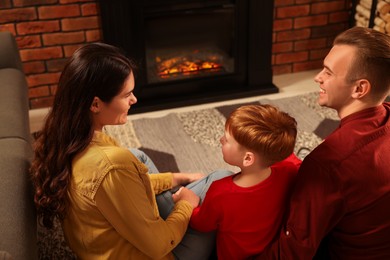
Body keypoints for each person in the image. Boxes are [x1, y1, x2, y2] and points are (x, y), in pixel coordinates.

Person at [29, 42, 232, 259]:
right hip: (162, 252)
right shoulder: (111, 165)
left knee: (138, 156)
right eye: (127, 95)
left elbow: (128, 187)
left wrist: (176, 177)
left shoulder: (71, 138)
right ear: (95, 104)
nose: (134, 100)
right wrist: (184, 205)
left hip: (111, 239)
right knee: (224, 180)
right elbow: (158, 245)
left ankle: (179, 196)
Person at [254, 27, 390, 259]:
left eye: (328, 72)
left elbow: (293, 252)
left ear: (359, 88)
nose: (318, 77)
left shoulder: (326, 164)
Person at [189, 104, 302, 259]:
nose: (221, 140)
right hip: (266, 251)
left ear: (248, 158)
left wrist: (188, 204)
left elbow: (201, 224)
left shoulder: (220, 191)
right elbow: (294, 162)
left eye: (227, 140)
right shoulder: (287, 172)